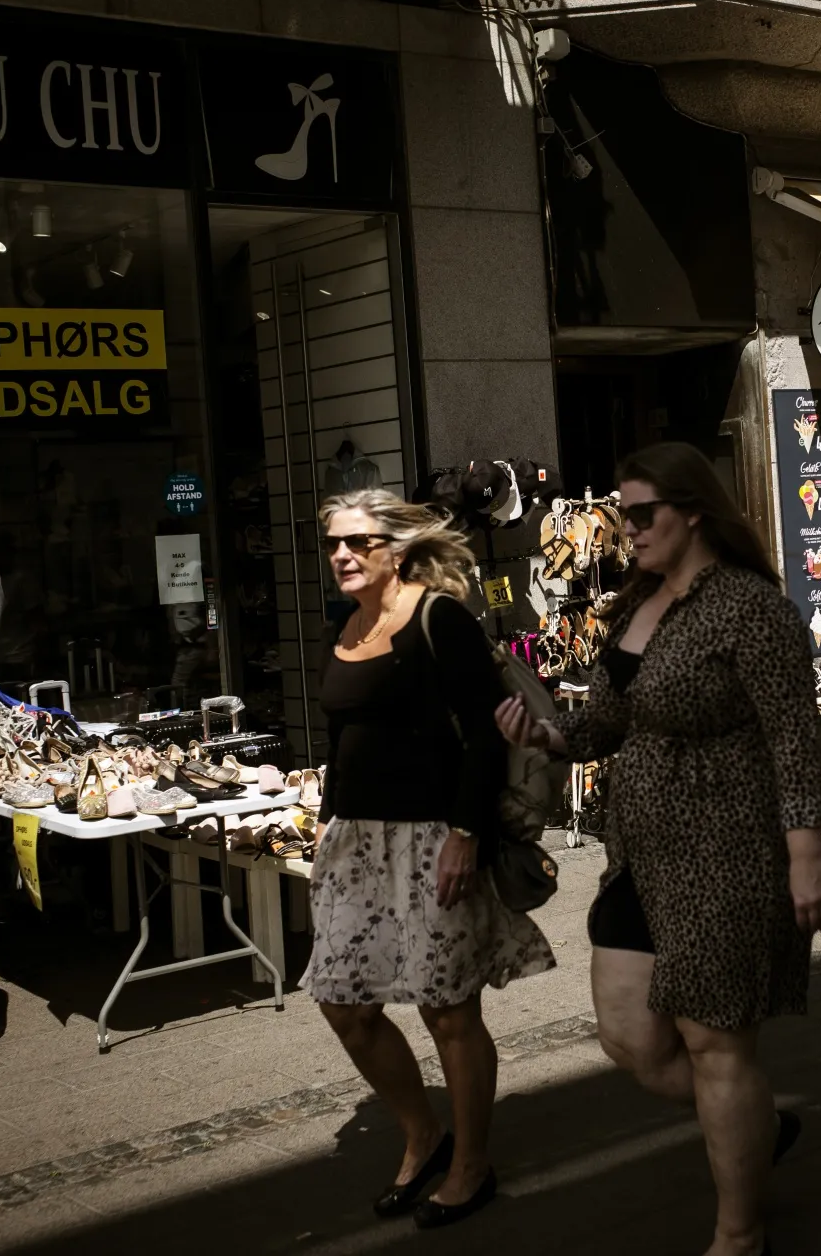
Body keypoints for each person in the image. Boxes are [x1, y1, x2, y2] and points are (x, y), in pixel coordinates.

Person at [495, 442, 821, 1256]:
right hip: (639, 854)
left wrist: (806, 856)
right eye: (621, 514)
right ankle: (756, 1121)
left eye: (642, 514)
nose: (627, 529)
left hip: (727, 852)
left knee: (716, 1044)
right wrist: (549, 734)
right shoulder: (639, 599)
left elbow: (794, 740)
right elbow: (608, 722)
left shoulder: (751, 610)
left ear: (693, 512)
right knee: (631, 1039)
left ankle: (739, 1231)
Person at [303, 489, 554, 1230]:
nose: (342, 555)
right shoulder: (344, 625)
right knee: (343, 1001)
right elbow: (339, 742)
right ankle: (424, 1133)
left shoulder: (438, 618)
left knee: (448, 1010)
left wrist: (466, 836)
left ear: (398, 548)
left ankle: (470, 1164)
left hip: (435, 837)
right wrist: (326, 822)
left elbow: (484, 736)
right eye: (333, 545)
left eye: (357, 542)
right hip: (357, 839)